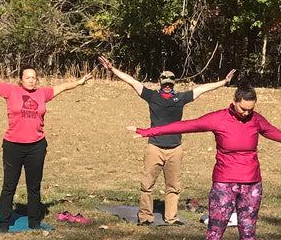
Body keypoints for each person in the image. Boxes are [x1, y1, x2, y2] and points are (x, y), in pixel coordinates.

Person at [133, 84, 281, 240]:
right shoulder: (218, 118)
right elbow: (185, 125)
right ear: (234, 102)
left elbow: (274, 132)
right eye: (243, 108)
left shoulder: (256, 120)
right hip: (224, 184)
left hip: (251, 184)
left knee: (248, 230)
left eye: (250, 109)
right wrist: (149, 132)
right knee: (216, 230)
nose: (246, 113)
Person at [0, 62, 92, 231]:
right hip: (13, 146)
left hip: (36, 146)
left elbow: (62, 87)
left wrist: (79, 82)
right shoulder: (10, 91)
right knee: (9, 185)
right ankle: (4, 223)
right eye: (27, 78)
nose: (31, 81)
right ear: (21, 79)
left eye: (34, 78)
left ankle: (34, 222)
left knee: (34, 187)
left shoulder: (42, 93)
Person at [99, 57, 234, 226]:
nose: (168, 85)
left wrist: (223, 82)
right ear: (160, 82)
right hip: (154, 147)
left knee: (173, 187)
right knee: (147, 185)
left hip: (175, 149)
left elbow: (201, 89)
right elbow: (132, 81)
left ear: (174, 83)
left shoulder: (180, 98)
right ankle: (146, 217)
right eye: (165, 83)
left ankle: (171, 218)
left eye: (170, 83)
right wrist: (112, 70)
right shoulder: (152, 96)